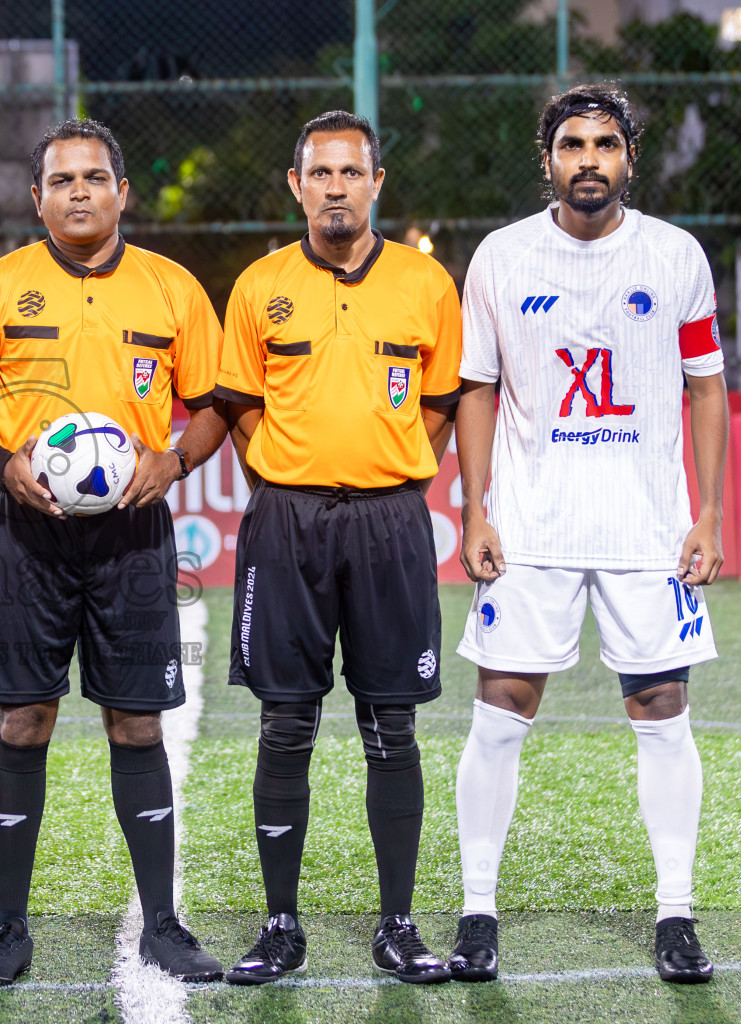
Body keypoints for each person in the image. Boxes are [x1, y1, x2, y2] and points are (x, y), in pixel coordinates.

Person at [0, 118, 229, 987]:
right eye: (61, 180)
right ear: (37, 198)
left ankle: (164, 924)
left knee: (136, 721)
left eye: (94, 178)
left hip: (133, 534)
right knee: (23, 720)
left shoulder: (173, 288)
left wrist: (174, 459)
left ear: (121, 193)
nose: (78, 192)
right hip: (26, 532)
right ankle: (9, 929)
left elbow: (213, 406)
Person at [449, 84, 725, 986]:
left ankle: (676, 914)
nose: (589, 159)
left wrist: (710, 512)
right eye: (573, 144)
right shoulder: (500, 257)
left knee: (661, 714)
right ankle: (478, 911)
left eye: (606, 143)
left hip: (649, 528)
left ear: (629, 160)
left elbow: (707, 386)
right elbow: (478, 389)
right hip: (531, 525)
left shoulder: (677, 257)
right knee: (500, 714)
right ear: (548, 159)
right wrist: (474, 508)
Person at [215, 110, 461, 986]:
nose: (335, 187)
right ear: (296, 185)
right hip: (287, 523)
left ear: (377, 184)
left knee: (390, 725)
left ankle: (398, 925)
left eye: (350, 173)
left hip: (393, 522)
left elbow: (438, 402)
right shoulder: (258, 286)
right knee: (286, 725)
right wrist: (291, 474)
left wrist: (387, 469)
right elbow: (240, 404)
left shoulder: (427, 286)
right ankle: (281, 925)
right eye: (319, 173)